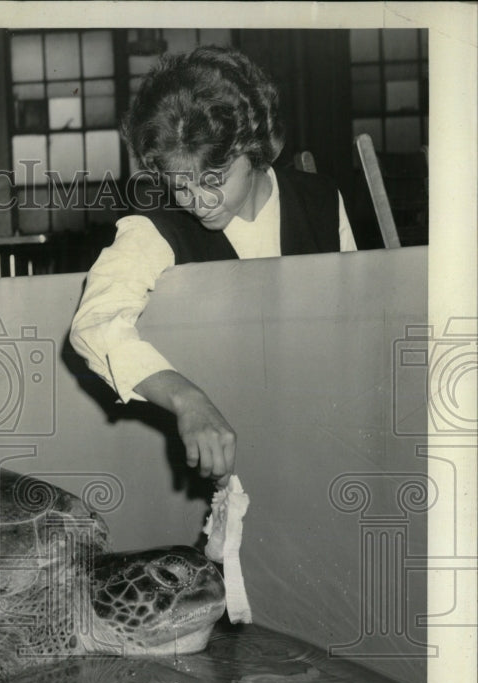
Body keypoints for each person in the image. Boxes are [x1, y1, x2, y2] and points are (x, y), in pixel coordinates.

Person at [70, 45, 357, 486]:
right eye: (179, 185)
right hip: (228, 465)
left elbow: (353, 323)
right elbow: (95, 324)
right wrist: (186, 399)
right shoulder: (151, 232)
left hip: (326, 446)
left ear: (257, 148)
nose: (198, 202)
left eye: (214, 181)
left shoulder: (321, 199)